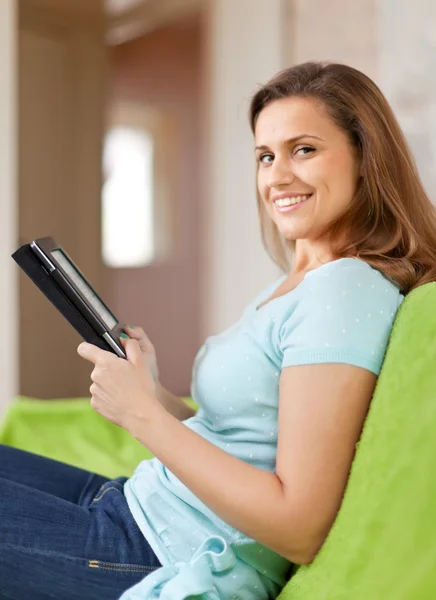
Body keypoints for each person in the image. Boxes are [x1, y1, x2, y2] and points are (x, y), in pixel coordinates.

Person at [1, 61, 436, 600]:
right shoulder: (298, 282)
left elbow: (297, 527)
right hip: (135, 503)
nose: (277, 176)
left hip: (153, 549)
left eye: (304, 149)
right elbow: (243, 435)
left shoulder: (344, 290)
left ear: (366, 160)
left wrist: (140, 417)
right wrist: (155, 392)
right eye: (265, 156)